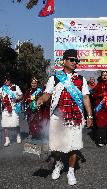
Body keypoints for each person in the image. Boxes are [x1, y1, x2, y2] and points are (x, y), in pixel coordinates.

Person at [36, 49, 93, 186]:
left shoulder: (81, 79)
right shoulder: (54, 78)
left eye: (76, 60)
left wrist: (90, 115)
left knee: (74, 146)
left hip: (75, 118)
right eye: (72, 60)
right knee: (55, 147)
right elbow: (47, 94)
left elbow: (85, 97)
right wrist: (40, 100)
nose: (75, 62)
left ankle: (71, 171)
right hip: (58, 117)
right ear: (65, 61)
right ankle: (59, 163)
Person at [0, 74, 23, 147]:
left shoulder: (16, 87)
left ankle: (18, 136)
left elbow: (21, 95)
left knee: (16, 124)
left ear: (10, 80)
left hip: (14, 108)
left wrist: (17, 99)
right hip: (5, 109)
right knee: (5, 125)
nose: (6, 81)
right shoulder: (2, 88)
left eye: (7, 80)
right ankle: (7, 140)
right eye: (5, 80)